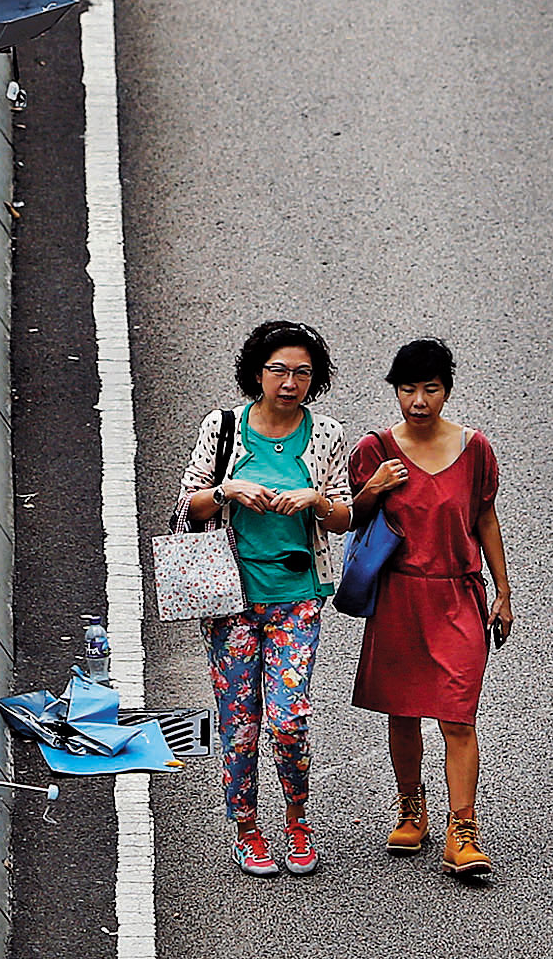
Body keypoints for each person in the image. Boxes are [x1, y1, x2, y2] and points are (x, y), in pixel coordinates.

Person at [175, 320, 357, 876]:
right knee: (239, 719)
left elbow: (347, 514)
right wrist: (226, 489)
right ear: (257, 373)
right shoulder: (224, 427)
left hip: (298, 597)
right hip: (230, 598)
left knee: (289, 717)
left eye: (302, 372)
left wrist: (316, 498)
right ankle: (247, 828)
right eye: (279, 370)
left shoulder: (325, 435)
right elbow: (188, 505)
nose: (290, 382)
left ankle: (297, 821)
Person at [348, 336, 512, 884]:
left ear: (446, 390)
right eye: (407, 389)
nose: (418, 401)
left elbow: (484, 518)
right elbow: (350, 519)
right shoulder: (374, 450)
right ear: (395, 390)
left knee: (458, 715)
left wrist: (503, 592)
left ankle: (462, 830)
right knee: (404, 709)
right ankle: (410, 808)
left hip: (458, 596)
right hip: (399, 596)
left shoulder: (475, 450)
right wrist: (372, 488)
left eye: (430, 389)